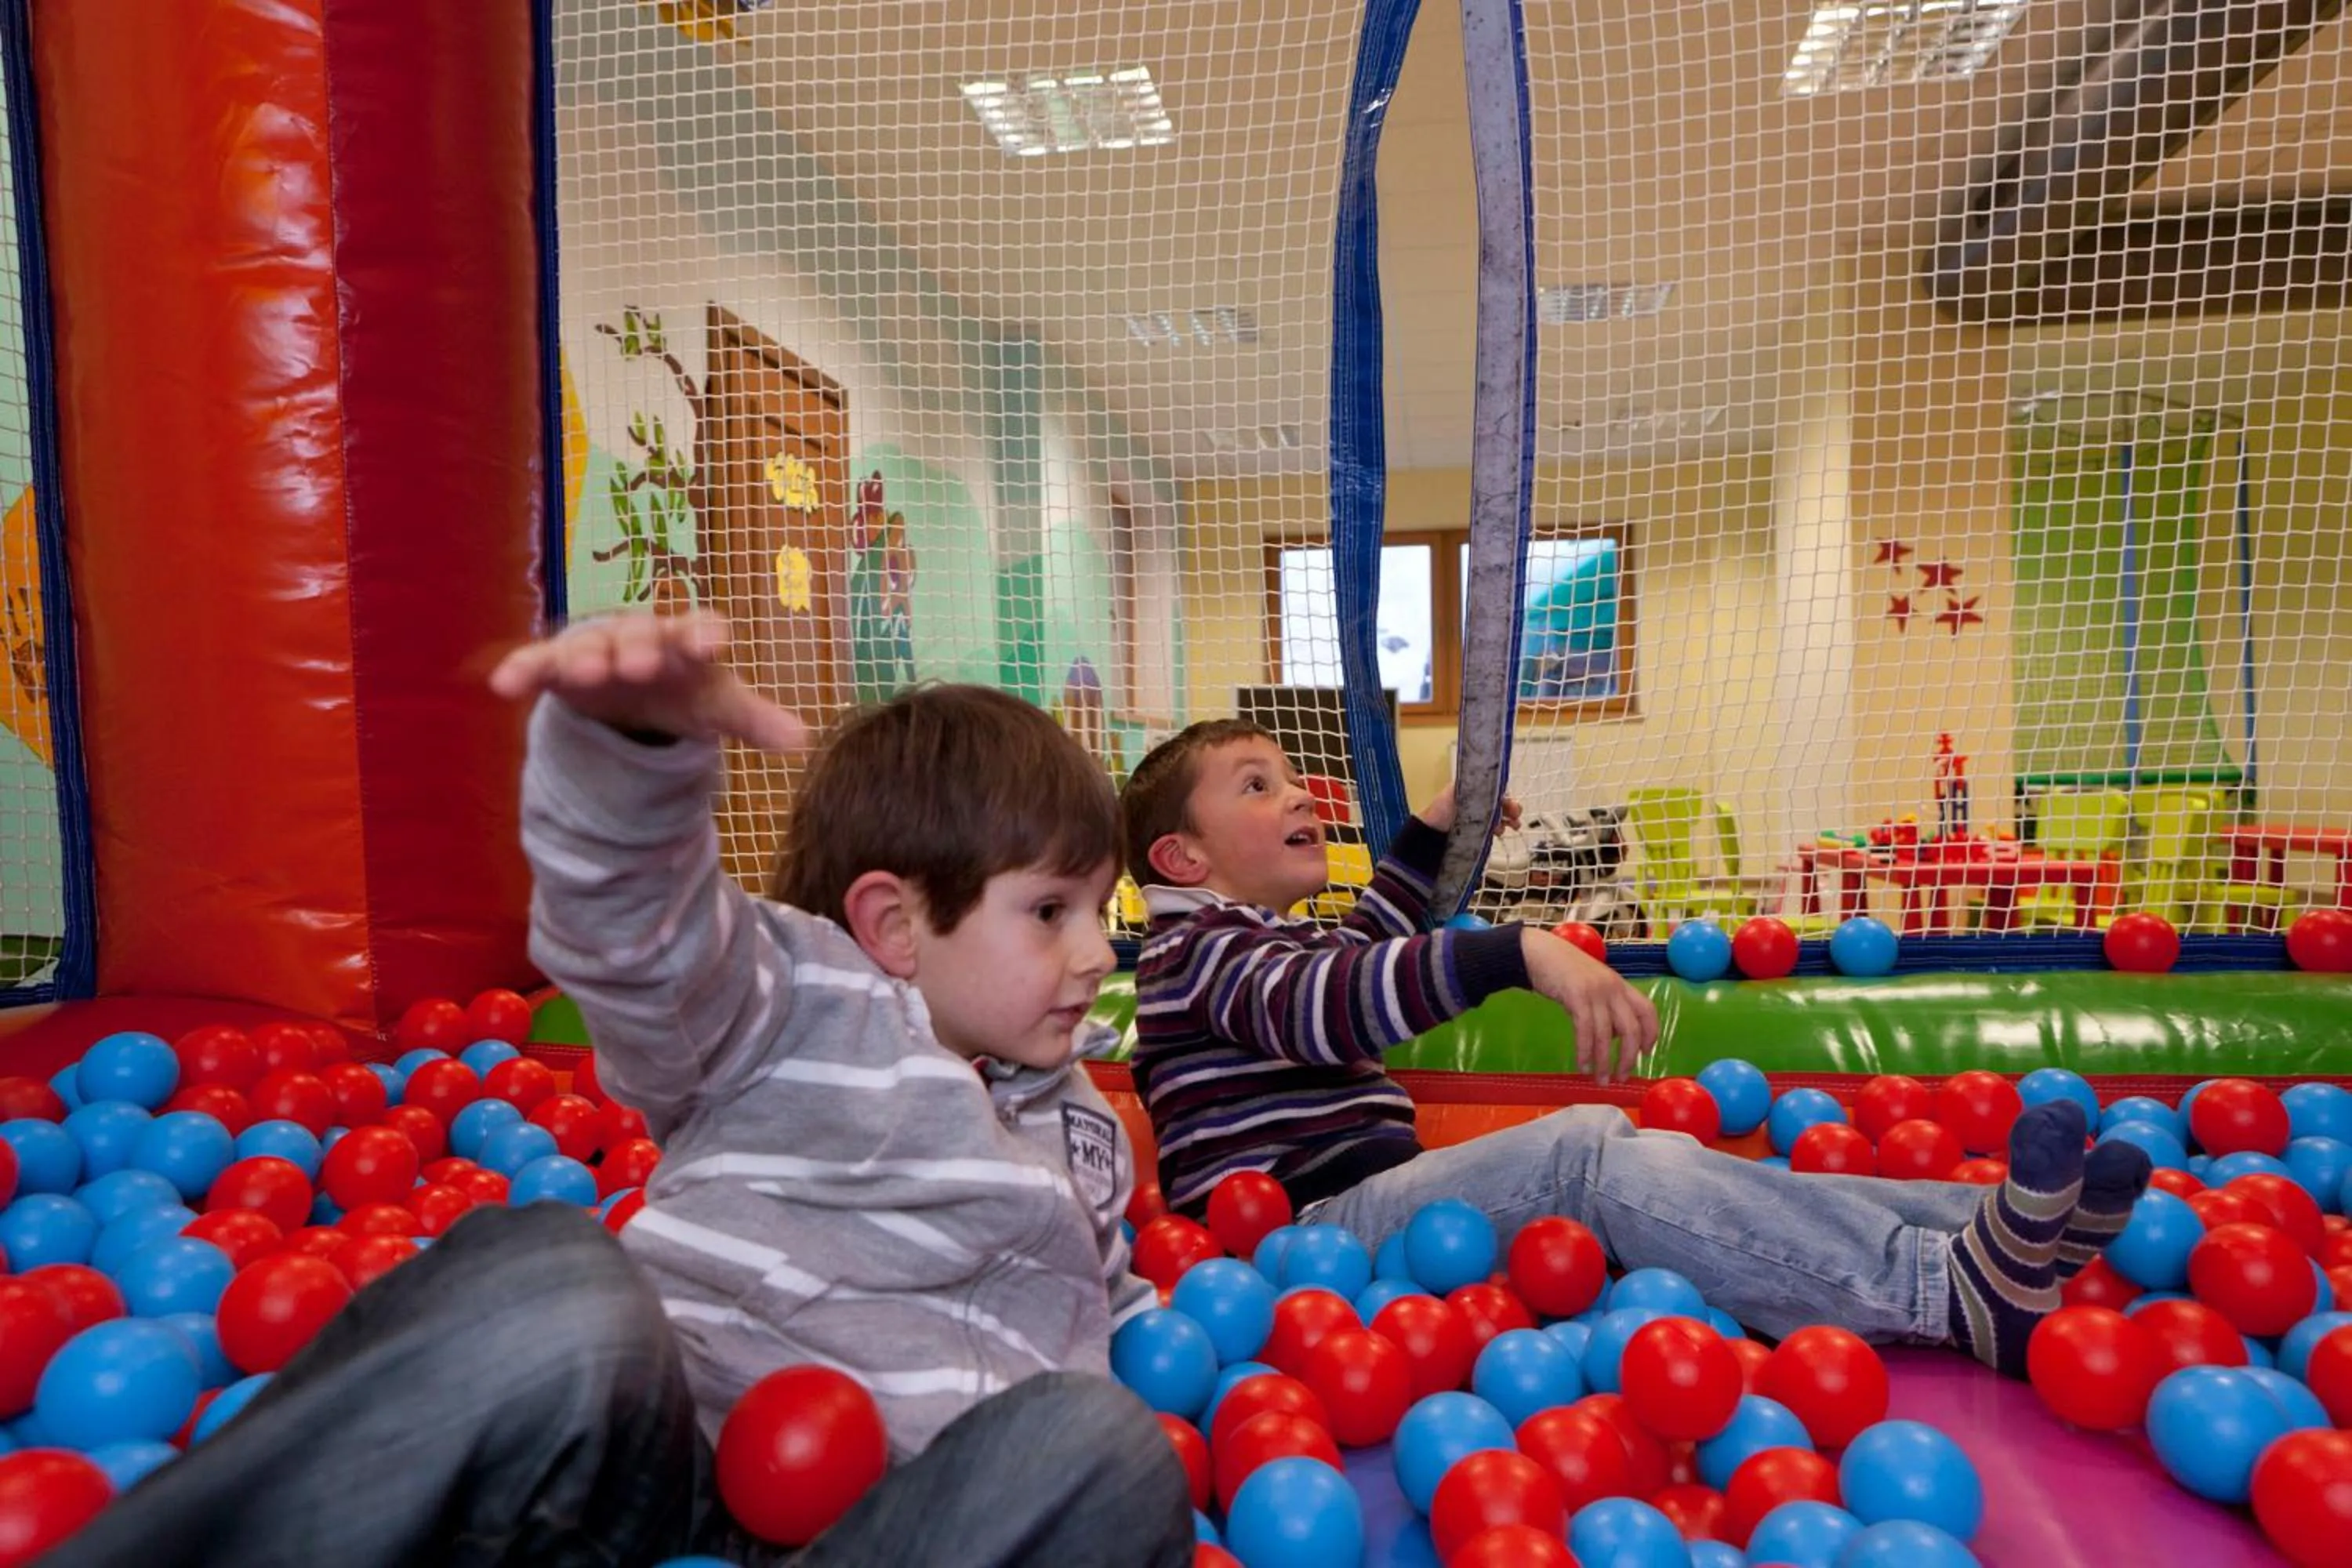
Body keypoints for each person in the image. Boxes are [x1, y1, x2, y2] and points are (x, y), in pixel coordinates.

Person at [49, 611, 1190, 1568]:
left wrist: (1153, 1334)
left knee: (1104, 1448)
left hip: (903, 1521)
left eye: (1103, 911)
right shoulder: (783, 1007)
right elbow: (641, 937)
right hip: (652, 1456)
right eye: (1052, 912)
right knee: (553, 1275)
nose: (1097, 952)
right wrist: (632, 761)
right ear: (893, 923)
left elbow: (1099, 1293)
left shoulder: (1080, 1120)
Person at [1120, 719, 2154, 1377]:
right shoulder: (1191, 952)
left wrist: (1437, 826)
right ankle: (1942, 1292)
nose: (1301, 794)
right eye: (1258, 785)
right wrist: (1520, 949)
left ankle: (1999, 1230)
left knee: (1627, 1151)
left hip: (1366, 1221)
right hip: (1302, 1244)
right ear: (1184, 858)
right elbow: (1329, 1002)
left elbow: (1371, 936)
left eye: (1294, 777)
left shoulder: (1260, 938)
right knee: (1580, 1150)